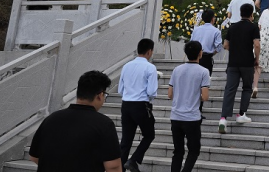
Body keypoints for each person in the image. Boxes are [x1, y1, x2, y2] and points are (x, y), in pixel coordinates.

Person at [29, 70, 122, 172]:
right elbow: (113, 166)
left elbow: (34, 157)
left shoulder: (51, 119)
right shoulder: (104, 124)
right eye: (105, 95)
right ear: (100, 95)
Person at [168, 41, 210, 172]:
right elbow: (205, 96)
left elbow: (170, 94)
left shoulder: (177, 70)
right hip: (191, 117)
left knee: (178, 151)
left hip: (175, 116)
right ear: (200, 53)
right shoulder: (203, 71)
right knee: (193, 150)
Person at [218, 3, 260, 134]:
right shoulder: (253, 27)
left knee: (230, 89)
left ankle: (223, 119)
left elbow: (225, 45)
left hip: (233, 63)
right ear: (251, 14)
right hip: (247, 63)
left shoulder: (233, 27)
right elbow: (257, 45)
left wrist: (235, 50)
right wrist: (256, 59)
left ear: (241, 13)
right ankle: (241, 114)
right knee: (247, 88)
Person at [118, 39, 159, 172]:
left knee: (126, 141)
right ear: (149, 51)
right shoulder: (150, 67)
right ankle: (134, 160)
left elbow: (120, 90)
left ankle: (120, 169)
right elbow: (152, 91)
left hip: (126, 105)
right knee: (149, 135)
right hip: (141, 105)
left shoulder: (126, 66)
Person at [189, 8, 223, 114]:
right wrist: (212, 53)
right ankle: (199, 109)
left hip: (194, 58)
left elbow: (191, 43)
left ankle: (192, 107)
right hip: (207, 58)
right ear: (213, 19)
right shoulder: (216, 31)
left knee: (193, 83)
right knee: (204, 84)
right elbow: (218, 47)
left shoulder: (196, 29)